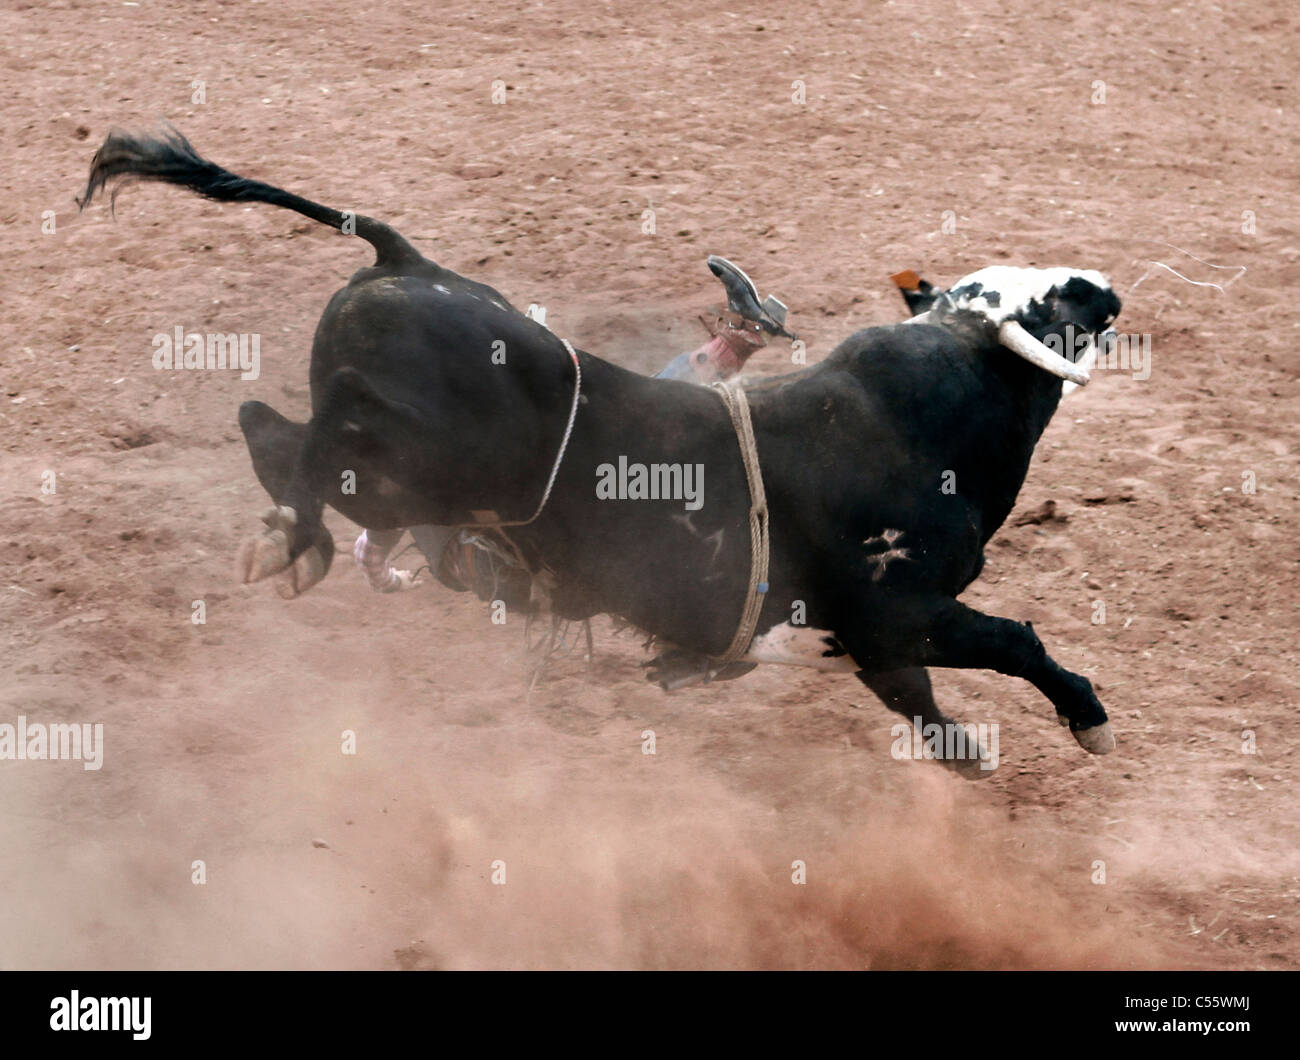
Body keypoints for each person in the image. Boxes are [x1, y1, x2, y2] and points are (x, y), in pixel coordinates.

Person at [352, 256, 794, 604]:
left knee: (621, 430)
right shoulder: (438, 409)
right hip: (538, 524)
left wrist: (383, 572)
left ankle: (737, 345)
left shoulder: (416, 422)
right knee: (627, 426)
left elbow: (380, 531)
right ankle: (737, 342)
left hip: (533, 526)